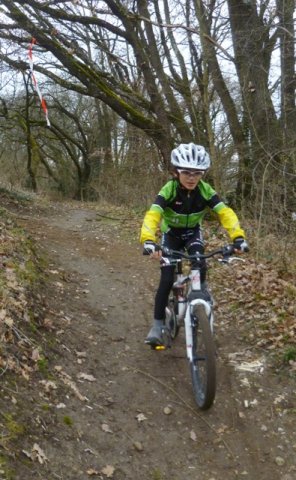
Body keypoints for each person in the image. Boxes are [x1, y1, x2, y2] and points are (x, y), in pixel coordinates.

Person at [140, 143, 249, 346]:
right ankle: (157, 325)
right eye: (187, 173)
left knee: (200, 262)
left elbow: (225, 213)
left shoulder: (205, 191)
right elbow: (153, 215)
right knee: (166, 279)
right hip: (170, 235)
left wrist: (238, 237)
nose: (192, 178)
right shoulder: (169, 189)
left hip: (192, 234)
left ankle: (200, 296)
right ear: (176, 172)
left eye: (197, 173)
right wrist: (148, 240)